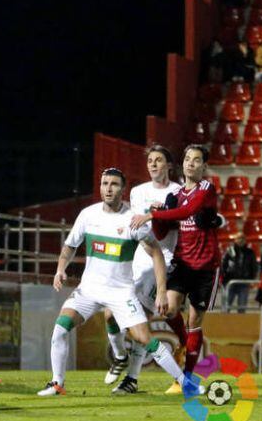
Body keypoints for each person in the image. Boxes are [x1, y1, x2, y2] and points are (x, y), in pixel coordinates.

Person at [38, 168, 197, 397]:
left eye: (114, 184)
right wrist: (60, 270)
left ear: (123, 190)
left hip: (121, 292)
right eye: (104, 183)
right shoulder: (88, 215)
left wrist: (161, 291)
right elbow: (70, 246)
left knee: (144, 338)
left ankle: (185, 383)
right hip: (89, 289)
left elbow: (156, 254)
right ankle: (57, 383)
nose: (108, 188)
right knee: (60, 328)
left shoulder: (133, 220)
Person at [131, 144, 220, 395]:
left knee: (194, 321)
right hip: (183, 263)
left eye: (196, 160)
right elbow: (162, 233)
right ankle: (183, 341)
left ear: (203, 166)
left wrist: (152, 215)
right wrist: (160, 213)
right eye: (187, 159)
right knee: (169, 309)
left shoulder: (206, 188)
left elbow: (190, 211)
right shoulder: (178, 194)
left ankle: (187, 380)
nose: (191, 163)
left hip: (206, 267)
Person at [104, 144, 185, 395]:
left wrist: (160, 217)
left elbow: (177, 224)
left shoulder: (179, 191)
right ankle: (122, 360)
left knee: (140, 321)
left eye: (159, 160)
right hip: (137, 257)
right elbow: (137, 227)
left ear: (169, 165)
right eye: (150, 160)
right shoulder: (138, 192)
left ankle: (132, 378)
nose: (153, 164)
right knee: (111, 315)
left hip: (161, 261)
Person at [221, 232, 258, 314]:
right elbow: (223, 265)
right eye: (238, 238)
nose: (240, 240)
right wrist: (224, 279)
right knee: (226, 307)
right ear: (235, 240)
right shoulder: (229, 251)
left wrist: (251, 279)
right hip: (230, 282)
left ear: (245, 240)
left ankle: (241, 325)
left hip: (244, 283)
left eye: (242, 238)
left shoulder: (250, 252)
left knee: (242, 307)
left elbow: (254, 267)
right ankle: (223, 324)